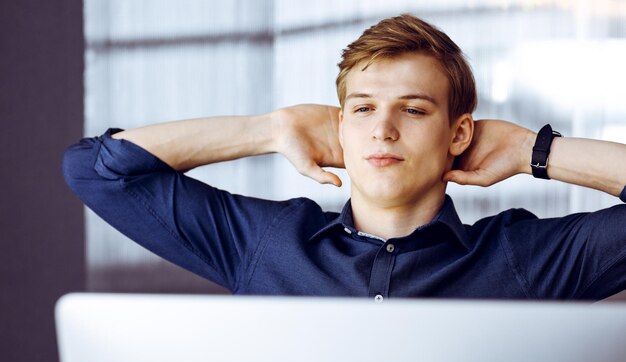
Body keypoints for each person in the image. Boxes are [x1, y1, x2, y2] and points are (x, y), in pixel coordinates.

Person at [63, 14, 626, 300]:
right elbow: (96, 170)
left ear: (458, 134)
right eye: (362, 110)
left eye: (412, 110)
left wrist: (536, 150)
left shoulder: (524, 258)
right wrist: (270, 128)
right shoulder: (266, 242)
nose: (381, 129)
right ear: (340, 126)